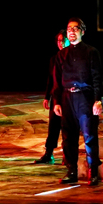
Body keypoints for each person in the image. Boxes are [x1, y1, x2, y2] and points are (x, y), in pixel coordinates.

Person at [51, 18, 103, 185]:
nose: (71, 32)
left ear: (82, 31)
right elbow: (57, 81)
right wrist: (57, 102)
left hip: (84, 97)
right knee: (68, 136)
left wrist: (97, 100)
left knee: (89, 135)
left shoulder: (91, 52)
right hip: (67, 98)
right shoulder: (61, 55)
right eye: (69, 29)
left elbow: (97, 78)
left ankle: (93, 171)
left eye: (75, 28)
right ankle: (71, 170)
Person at [34, 29, 68, 164]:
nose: (60, 43)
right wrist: (47, 97)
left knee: (67, 126)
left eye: (63, 40)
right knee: (53, 125)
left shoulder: (72, 58)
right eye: (59, 41)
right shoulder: (54, 59)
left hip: (68, 96)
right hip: (56, 96)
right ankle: (49, 153)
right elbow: (51, 78)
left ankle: (67, 155)